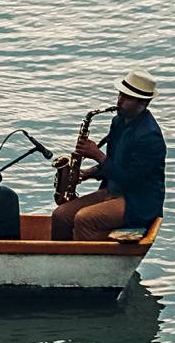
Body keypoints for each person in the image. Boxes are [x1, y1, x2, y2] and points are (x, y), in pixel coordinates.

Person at [51, 70, 167, 241]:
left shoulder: (149, 136)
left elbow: (132, 180)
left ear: (143, 103)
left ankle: (89, 265)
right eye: (120, 94)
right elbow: (114, 163)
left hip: (137, 200)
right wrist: (87, 173)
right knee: (60, 215)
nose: (119, 100)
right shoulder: (118, 122)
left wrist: (97, 155)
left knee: (84, 219)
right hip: (113, 190)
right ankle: (60, 260)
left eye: (127, 98)